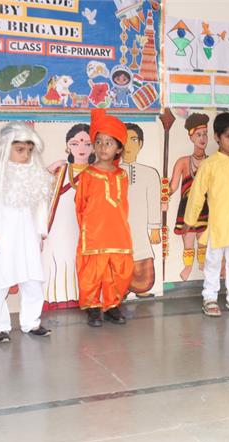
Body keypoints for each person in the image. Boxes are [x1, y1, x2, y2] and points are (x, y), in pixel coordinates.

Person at [0, 123, 54, 342]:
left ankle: (32, 322)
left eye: (29, 150)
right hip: (2, 237)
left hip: (28, 237)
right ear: (5, 148)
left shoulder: (35, 174)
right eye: (20, 150)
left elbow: (41, 207)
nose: (26, 155)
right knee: (0, 282)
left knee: (33, 280)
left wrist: (40, 232)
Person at [184, 112, 229, 317]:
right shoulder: (209, 164)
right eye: (228, 136)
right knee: (213, 262)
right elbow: (197, 194)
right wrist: (190, 220)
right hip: (217, 226)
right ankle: (210, 298)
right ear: (217, 137)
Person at [75, 109, 134, 327]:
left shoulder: (122, 175)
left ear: (119, 148)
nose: (102, 147)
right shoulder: (87, 175)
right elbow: (80, 205)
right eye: (98, 142)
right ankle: (92, 307)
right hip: (94, 234)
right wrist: (87, 229)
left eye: (109, 143)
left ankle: (112, 306)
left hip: (118, 232)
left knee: (118, 271)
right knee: (93, 271)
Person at [43, 124, 95, 309]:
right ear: (68, 146)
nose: (81, 148)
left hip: (86, 225)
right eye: (75, 143)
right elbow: (39, 192)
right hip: (59, 224)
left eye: (87, 144)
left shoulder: (97, 172)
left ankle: (83, 297)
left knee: (80, 259)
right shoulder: (60, 170)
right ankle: (57, 299)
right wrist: (48, 170)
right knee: (59, 258)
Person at [120, 123, 162, 297]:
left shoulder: (150, 173)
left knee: (142, 256)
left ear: (140, 144)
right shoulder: (113, 172)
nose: (128, 145)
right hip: (119, 225)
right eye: (124, 140)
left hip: (140, 226)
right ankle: (121, 289)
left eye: (133, 140)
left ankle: (141, 288)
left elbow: (154, 202)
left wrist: (155, 228)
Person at [168, 113, 210, 281]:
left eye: (205, 134)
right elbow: (172, 187)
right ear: (191, 137)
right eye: (198, 134)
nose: (202, 138)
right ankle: (188, 266)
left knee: (203, 240)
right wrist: (163, 191)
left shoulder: (212, 162)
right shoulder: (183, 162)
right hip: (187, 207)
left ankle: (202, 264)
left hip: (206, 206)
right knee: (188, 239)